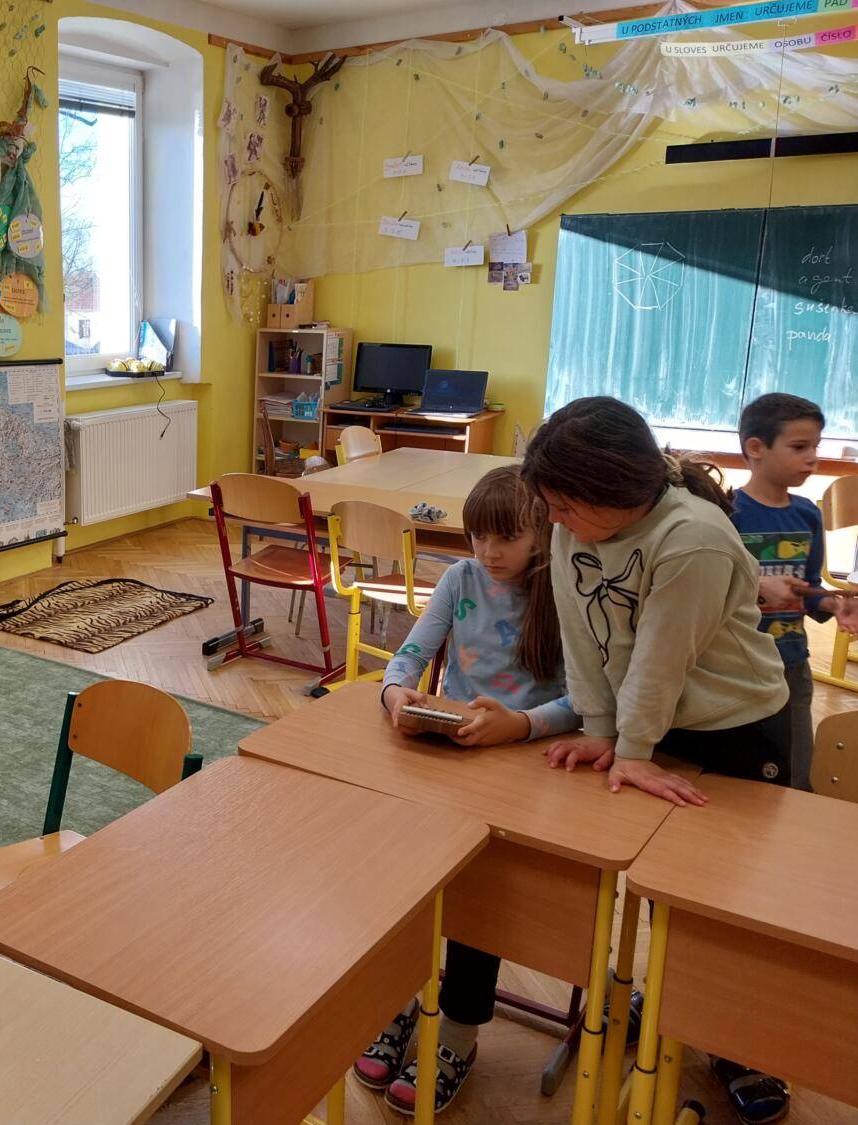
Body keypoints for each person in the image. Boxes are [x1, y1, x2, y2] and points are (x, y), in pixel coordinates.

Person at [524, 397, 797, 1125]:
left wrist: (634, 747)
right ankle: (678, 997)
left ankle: (742, 1043)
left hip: (737, 730)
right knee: (667, 890)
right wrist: (603, 730)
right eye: (549, 504)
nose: (553, 519)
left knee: (732, 903)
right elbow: (582, 633)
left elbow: (661, 656)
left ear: (616, 490)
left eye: (563, 503)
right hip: (654, 725)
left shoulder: (694, 538)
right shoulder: (573, 527)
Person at [359, 466, 580, 1115]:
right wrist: (396, 695)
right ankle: (396, 1002)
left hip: (521, 767)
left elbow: (584, 701)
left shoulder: (561, 589)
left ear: (540, 533)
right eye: (479, 536)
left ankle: (457, 1036)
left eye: (505, 537)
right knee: (404, 884)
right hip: (447, 757)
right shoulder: (459, 578)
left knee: (480, 903)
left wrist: (520, 724)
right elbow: (407, 656)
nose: (488, 551)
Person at [731, 393, 858, 792]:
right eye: (800, 447)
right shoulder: (726, 512)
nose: (812, 458)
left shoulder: (807, 514)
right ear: (756, 448)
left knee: (797, 773)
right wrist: (757, 588)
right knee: (737, 773)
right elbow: (710, 589)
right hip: (735, 665)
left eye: (816, 446)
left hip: (791, 661)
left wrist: (833, 603)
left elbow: (808, 587)